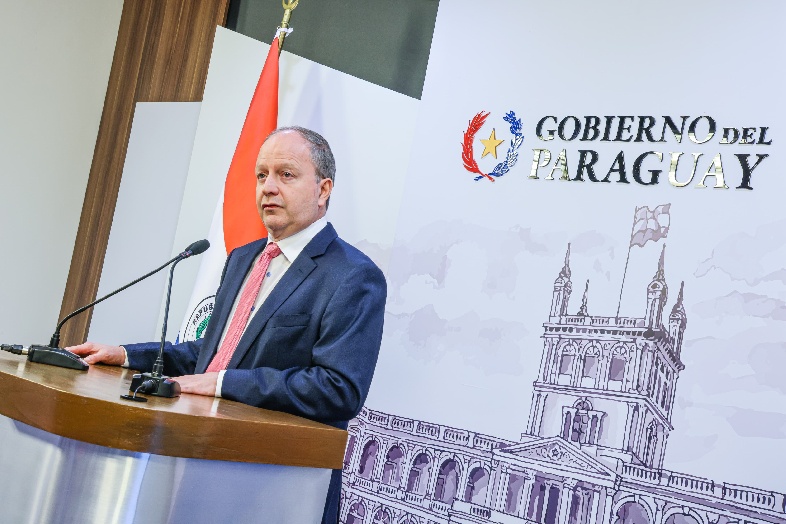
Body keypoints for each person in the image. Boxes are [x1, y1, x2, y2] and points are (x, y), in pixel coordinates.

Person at [68, 126, 387, 524]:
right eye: (261, 175)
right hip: (202, 468)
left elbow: (338, 390)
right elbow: (212, 355)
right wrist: (126, 355)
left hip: (279, 490)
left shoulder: (353, 276)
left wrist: (222, 383)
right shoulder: (243, 258)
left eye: (286, 174)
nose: (268, 187)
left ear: (323, 190)